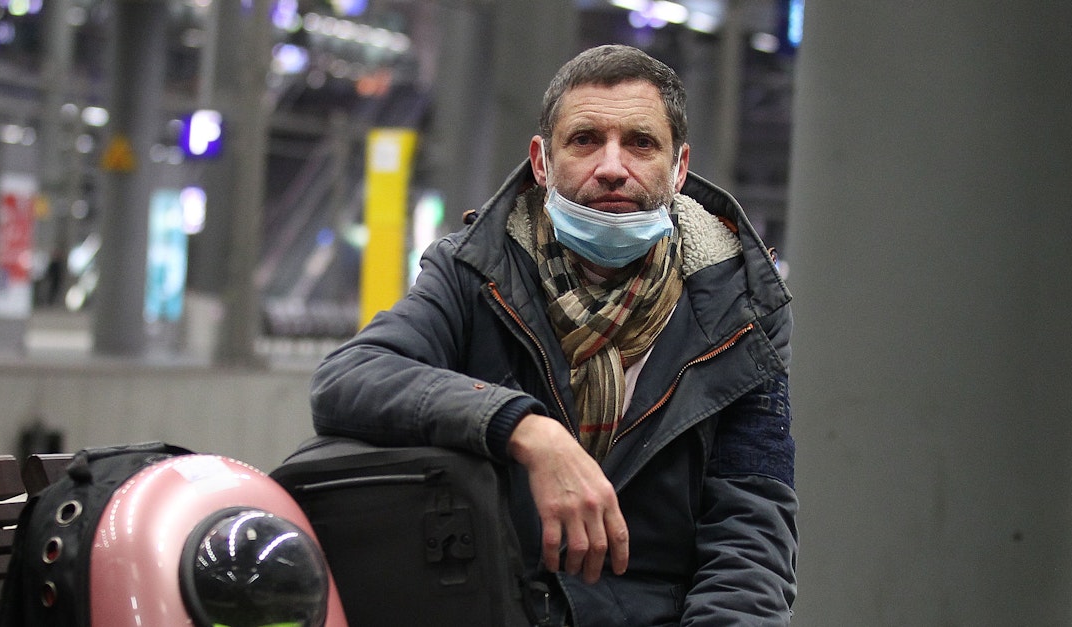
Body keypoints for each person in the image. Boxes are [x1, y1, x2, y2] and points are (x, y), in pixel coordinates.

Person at [310, 44, 795, 626]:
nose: (613, 166)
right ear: (541, 163)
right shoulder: (475, 274)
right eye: (586, 140)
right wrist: (525, 430)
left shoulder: (740, 312)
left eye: (641, 143)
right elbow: (350, 379)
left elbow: (749, 527)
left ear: (679, 168)